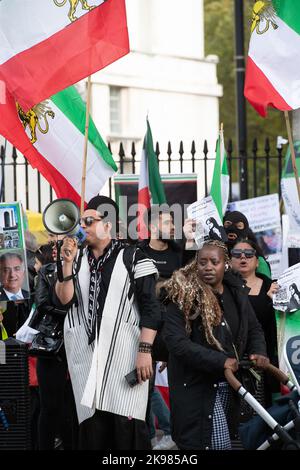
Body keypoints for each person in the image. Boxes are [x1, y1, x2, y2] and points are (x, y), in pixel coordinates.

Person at [52, 195, 161, 450]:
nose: (83, 227)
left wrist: (145, 351)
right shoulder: (75, 259)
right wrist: (66, 264)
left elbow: (151, 308)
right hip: (86, 361)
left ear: (109, 224)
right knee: (91, 432)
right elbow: (63, 302)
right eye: (81, 222)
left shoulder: (134, 257)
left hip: (124, 358)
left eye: (89, 221)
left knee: (126, 431)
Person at [162, 240, 269, 450]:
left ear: (226, 264)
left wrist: (258, 351)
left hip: (233, 384)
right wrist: (221, 361)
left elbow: (254, 328)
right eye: (202, 262)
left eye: (214, 261)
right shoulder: (182, 296)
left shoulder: (236, 292)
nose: (208, 267)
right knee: (217, 445)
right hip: (196, 388)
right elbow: (177, 343)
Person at [230, 239, 279, 407]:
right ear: (229, 261)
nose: (243, 257)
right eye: (237, 254)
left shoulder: (272, 286)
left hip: (264, 357)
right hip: (235, 358)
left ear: (258, 262)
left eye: (249, 254)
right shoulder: (224, 288)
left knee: (263, 409)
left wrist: (275, 303)